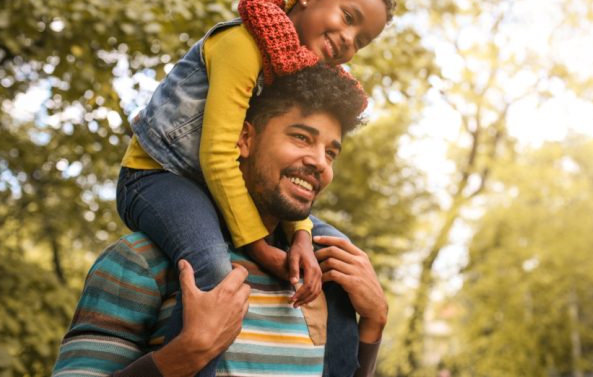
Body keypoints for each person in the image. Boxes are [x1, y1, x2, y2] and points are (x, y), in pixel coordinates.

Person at [117, 0, 395, 376]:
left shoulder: (293, 72)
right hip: (159, 177)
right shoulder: (240, 44)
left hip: (223, 186)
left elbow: (266, 173)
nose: (348, 40)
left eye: (361, 40)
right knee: (211, 263)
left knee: (335, 256)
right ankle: (190, 356)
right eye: (348, 16)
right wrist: (260, 247)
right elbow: (218, 154)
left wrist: (301, 235)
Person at [53, 64, 388, 377]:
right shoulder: (141, 260)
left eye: (331, 152)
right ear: (244, 139)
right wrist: (180, 357)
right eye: (301, 137)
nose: (319, 162)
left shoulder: (325, 273)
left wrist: (373, 323)